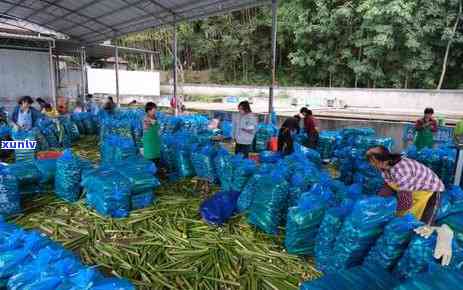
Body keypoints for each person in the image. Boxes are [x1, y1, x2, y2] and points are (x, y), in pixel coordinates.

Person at [366, 145, 454, 266]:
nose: (371, 165)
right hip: (411, 189)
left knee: (422, 226)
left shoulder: (401, 170)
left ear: (382, 160)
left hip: (429, 190)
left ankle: (438, 239)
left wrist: (397, 217)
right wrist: (379, 209)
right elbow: (388, 189)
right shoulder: (385, 168)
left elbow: (406, 201)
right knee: (401, 218)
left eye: (373, 162)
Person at [142, 102, 161, 169]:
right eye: (154, 110)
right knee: (151, 159)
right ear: (149, 110)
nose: (155, 112)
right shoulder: (146, 119)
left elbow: (158, 128)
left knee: (157, 158)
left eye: (155, 110)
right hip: (149, 142)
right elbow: (153, 123)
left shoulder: (154, 117)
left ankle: (157, 172)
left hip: (155, 141)